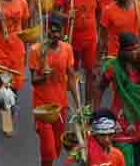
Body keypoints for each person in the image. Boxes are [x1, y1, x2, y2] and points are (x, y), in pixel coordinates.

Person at [97, 33, 140, 166]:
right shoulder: (113, 67)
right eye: (132, 50)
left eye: (138, 49)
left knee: (137, 161)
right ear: (123, 52)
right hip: (122, 123)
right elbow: (99, 88)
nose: (137, 53)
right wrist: (96, 115)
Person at [28, 13, 79, 166]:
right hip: (42, 108)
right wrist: (43, 76)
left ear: (62, 32)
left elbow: (70, 77)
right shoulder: (36, 50)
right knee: (49, 150)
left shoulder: (67, 49)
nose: (54, 34)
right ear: (46, 31)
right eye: (51, 30)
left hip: (60, 106)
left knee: (56, 148)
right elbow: (34, 81)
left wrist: (77, 103)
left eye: (57, 31)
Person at [54, 0, 100, 104]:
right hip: (71, 40)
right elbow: (54, 12)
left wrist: (98, 33)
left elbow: (99, 13)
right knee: (70, 73)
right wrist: (67, 16)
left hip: (90, 40)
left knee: (91, 73)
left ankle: (87, 107)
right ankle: (72, 104)